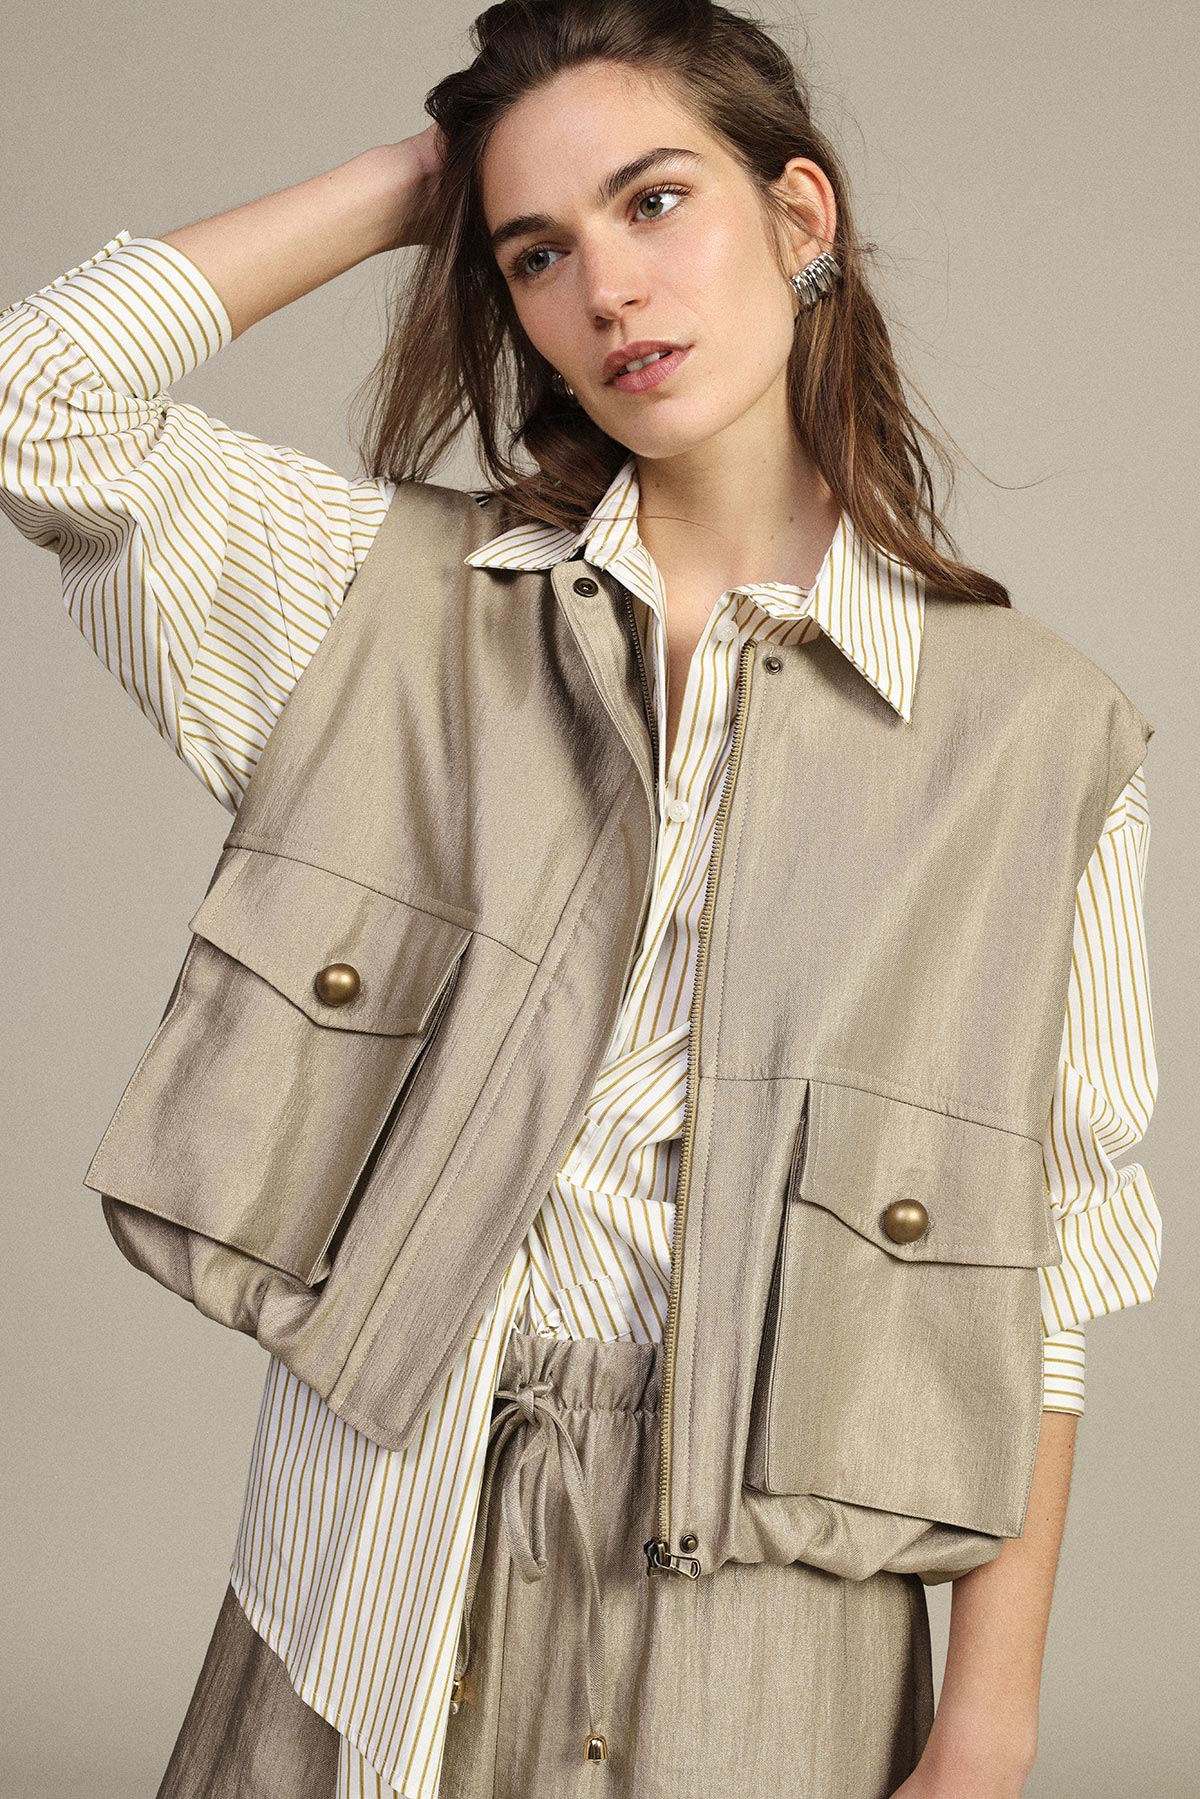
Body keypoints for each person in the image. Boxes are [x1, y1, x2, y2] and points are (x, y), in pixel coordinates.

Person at [0, 3, 1160, 1796]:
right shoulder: (388, 611)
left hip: (776, 1621)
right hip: (375, 1562)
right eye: (539, 251)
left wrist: (986, 1727)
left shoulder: (1040, 738)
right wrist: (423, 184)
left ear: (800, 218)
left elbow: (1055, 1260)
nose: (608, 288)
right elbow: (40, 402)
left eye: (655, 201)